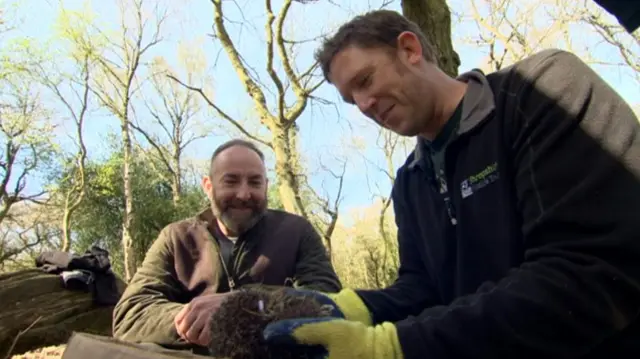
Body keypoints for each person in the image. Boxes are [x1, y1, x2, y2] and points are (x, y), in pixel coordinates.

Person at [262, 10, 640, 359]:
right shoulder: (409, 182)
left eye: (365, 80)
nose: (363, 104)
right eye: (351, 99)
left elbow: (588, 272)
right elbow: (421, 292)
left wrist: (391, 348)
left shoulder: (542, 91)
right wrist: (350, 308)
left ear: (409, 49)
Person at [112, 139, 341, 354]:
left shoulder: (296, 231)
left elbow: (329, 301)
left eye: (254, 182)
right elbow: (130, 315)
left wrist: (239, 309)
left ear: (266, 185)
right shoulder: (176, 237)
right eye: (230, 181)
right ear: (208, 186)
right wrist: (193, 319)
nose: (243, 194)